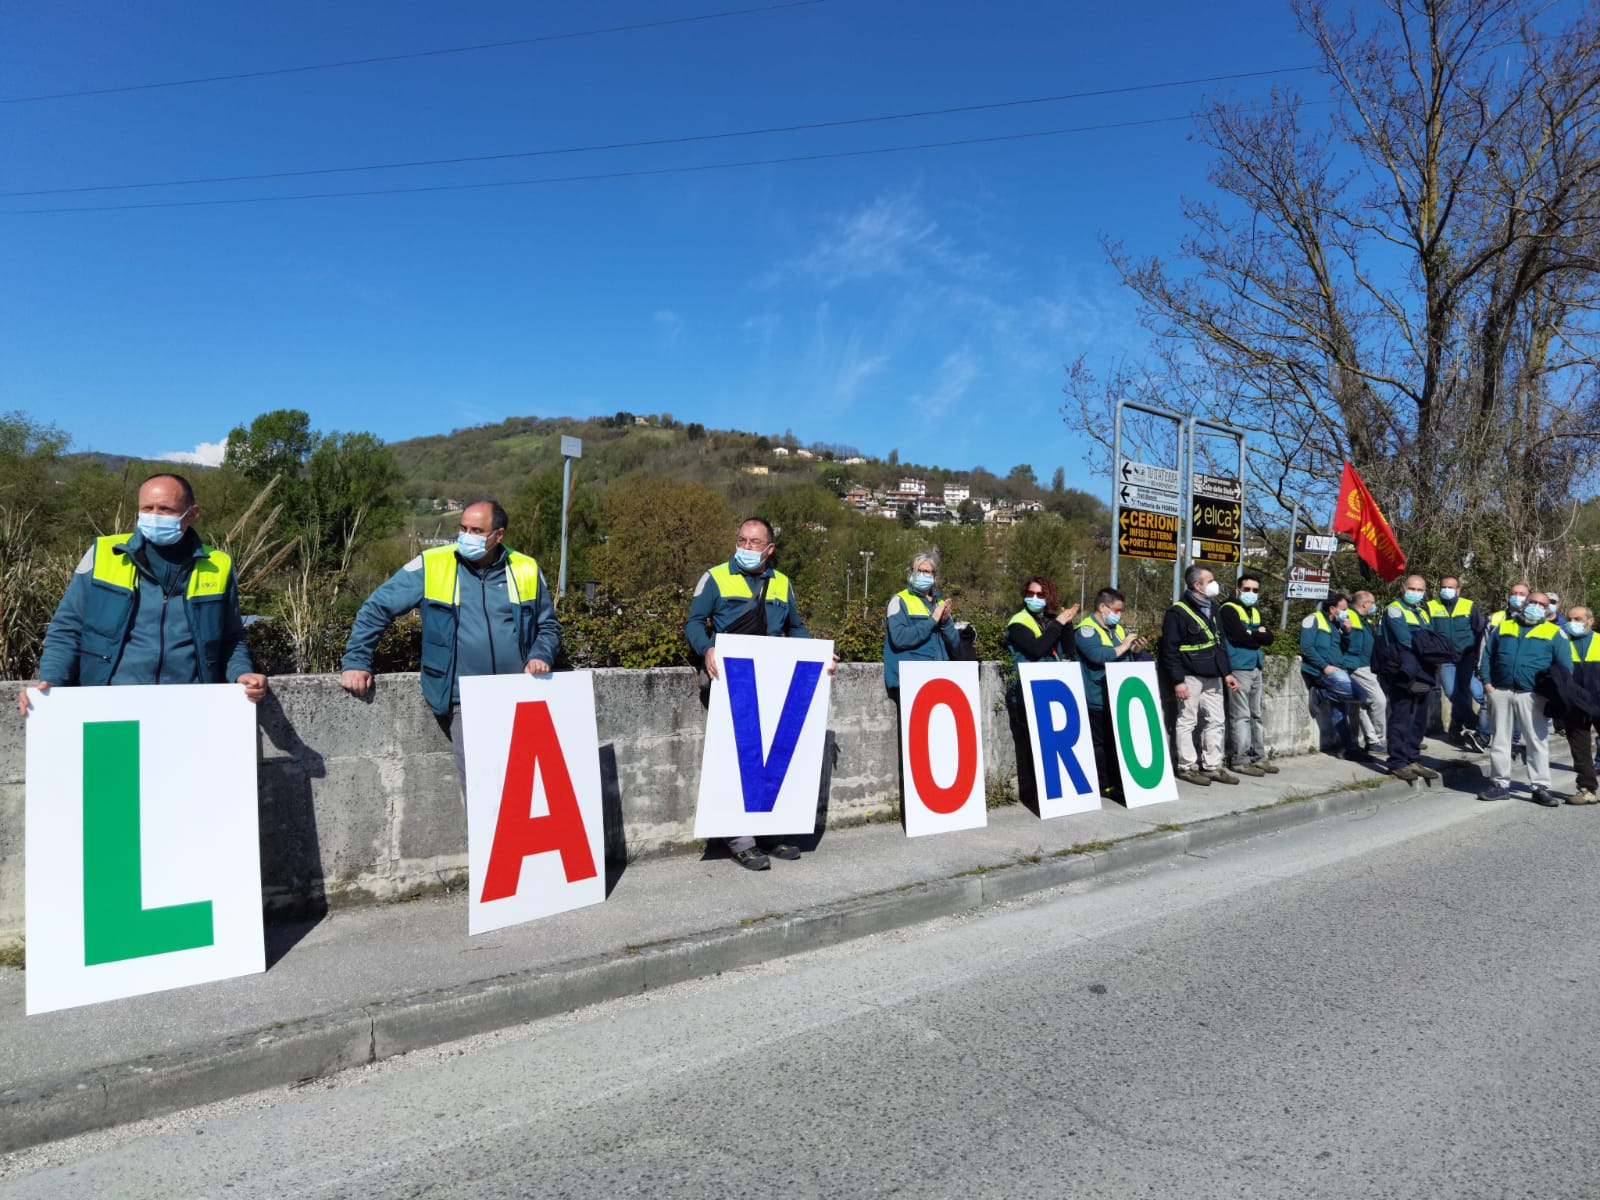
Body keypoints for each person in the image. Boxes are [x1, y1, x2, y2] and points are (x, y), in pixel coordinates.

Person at [341, 497, 558, 800]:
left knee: (527, 795)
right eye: (463, 528)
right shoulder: (432, 564)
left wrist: (540, 654)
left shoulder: (526, 568)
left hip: (520, 698)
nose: (466, 536)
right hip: (463, 700)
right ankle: (487, 848)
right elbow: (376, 607)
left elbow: (548, 626)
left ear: (499, 535)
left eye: (477, 530)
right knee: (483, 795)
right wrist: (356, 660)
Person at [20, 472, 267, 717]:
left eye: (166, 509)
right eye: (147, 508)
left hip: (188, 709)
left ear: (192, 514)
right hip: (110, 706)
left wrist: (241, 673)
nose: (154, 516)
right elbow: (67, 629)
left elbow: (231, 638)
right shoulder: (104, 554)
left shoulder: (218, 565)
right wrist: (52, 681)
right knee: (113, 759)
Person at [685, 516, 831, 872]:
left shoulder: (782, 584)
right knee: (737, 756)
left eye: (754, 543)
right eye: (742, 540)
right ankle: (740, 838)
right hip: (730, 678)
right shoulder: (715, 576)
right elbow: (693, 622)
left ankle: (771, 831)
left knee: (771, 754)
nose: (746, 548)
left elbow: (795, 627)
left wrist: (818, 657)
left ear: (770, 549)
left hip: (773, 681)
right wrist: (706, 649)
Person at [1477, 590, 1568, 806]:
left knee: (1536, 741)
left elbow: (1564, 668)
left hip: (1533, 695)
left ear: (1547, 610)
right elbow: (1488, 655)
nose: (1535, 606)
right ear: (1524, 604)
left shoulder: (1554, 633)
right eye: (1532, 602)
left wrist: (1548, 693)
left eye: (1541, 604)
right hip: (1500, 691)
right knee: (1499, 740)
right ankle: (1500, 784)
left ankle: (1540, 787)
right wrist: (1488, 684)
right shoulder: (1504, 626)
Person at [1160, 564, 1239, 786]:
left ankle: (1213, 765)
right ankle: (1186, 767)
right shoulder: (1177, 612)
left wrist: (1227, 673)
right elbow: (1169, 649)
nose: (1215, 585)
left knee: (1217, 720)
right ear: (1197, 585)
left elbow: (1220, 643)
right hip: (1189, 676)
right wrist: (1178, 681)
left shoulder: (1213, 609)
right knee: (1187, 721)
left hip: (1213, 675)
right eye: (1210, 581)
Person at [1075, 587, 1148, 799]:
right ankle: (1104, 785)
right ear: (1102, 607)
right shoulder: (1085, 630)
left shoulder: (1118, 630)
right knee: (1101, 744)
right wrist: (1125, 646)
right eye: (1117, 610)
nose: (1120, 614)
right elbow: (1098, 656)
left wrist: (1135, 650)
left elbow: (1125, 659)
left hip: (1118, 696)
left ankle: (1118, 782)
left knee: (1118, 742)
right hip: (1097, 696)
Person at [1377, 574, 1441, 784]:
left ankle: (1413, 759)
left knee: (1418, 719)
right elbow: (1406, 639)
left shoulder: (1422, 612)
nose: (1416, 593)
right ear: (1403, 588)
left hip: (1422, 670)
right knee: (1402, 717)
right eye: (1412, 589)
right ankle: (1397, 762)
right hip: (1401, 671)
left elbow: (1430, 637)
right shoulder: (1394, 610)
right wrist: (1430, 651)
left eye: (1420, 590)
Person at [1219, 573, 1278, 776]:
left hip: (1255, 666)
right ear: (1238, 590)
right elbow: (1237, 637)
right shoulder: (1228, 609)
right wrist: (1256, 635)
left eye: (1255, 590)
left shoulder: (1253, 611)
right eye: (1247, 589)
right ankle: (1240, 760)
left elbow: (1269, 638)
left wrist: (1253, 634)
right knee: (1241, 716)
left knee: (1255, 715)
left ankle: (1258, 757)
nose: (1251, 593)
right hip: (1238, 666)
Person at [882, 549, 959, 699]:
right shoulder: (899, 600)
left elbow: (954, 643)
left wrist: (944, 622)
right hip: (910, 680)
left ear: (934, 577)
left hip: (940, 677)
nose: (923, 575)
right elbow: (899, 639)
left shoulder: (940, 603)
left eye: (927, 572)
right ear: (910, 573)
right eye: (919, 571)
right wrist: (932, 621)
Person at [1429, 576, 1489, 751]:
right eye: (1444, 586)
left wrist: (1479, 658)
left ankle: (1456, 730)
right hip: (1445, 659)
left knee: (1468, 692)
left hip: (1466, 657)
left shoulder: (1468, 606)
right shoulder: (1432, 606)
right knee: (1452, 692)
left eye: (1451, 587)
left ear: (1458, 589)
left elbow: (1480, 632)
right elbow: (1428, 634)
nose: (1446, 589)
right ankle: (1476, 724)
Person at [1300, 593, 1360, 758]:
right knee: (1340, 706)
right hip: (1320, 671)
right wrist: (1324, 667)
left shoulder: (1336, 624)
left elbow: (1343, 647)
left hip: (1337, 670)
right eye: (1343, 610)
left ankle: (1321, 692)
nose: (1346, 613)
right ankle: (1345, 748)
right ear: (1332, 608)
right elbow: (1306, 647)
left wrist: (1347, 632)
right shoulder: (1312, 620)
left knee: (1345, 704)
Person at [1562, 605, 1600, 805]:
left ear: (1590, 621)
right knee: (1580, 749)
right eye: (1570, 619)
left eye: (1578, 619)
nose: (1572, 623)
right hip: (1575, 704)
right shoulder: (1561, 643)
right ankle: (1587, 790)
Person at [1344, 591, 1388, 757]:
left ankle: (1372, 741)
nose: (1374, 606)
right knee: (1379, 701)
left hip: (1367, 665)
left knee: (1362, 704)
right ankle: (1379, 739)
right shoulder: (1349, 616)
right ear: (1364, 604)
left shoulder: (1365, 619)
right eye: (1372, 603)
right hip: (1357, 665)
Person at [1005, 576, 1079, 668]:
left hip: (1052, 675)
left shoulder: (1050, 619)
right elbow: (1036, 650)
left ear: (1048, 597)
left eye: (1040, 595)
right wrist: (1058, 623)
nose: (1034, 598)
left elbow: (1069, 650)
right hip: (1027, 678)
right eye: (1030, 593)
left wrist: (1067, 623)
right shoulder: (1018, 621)